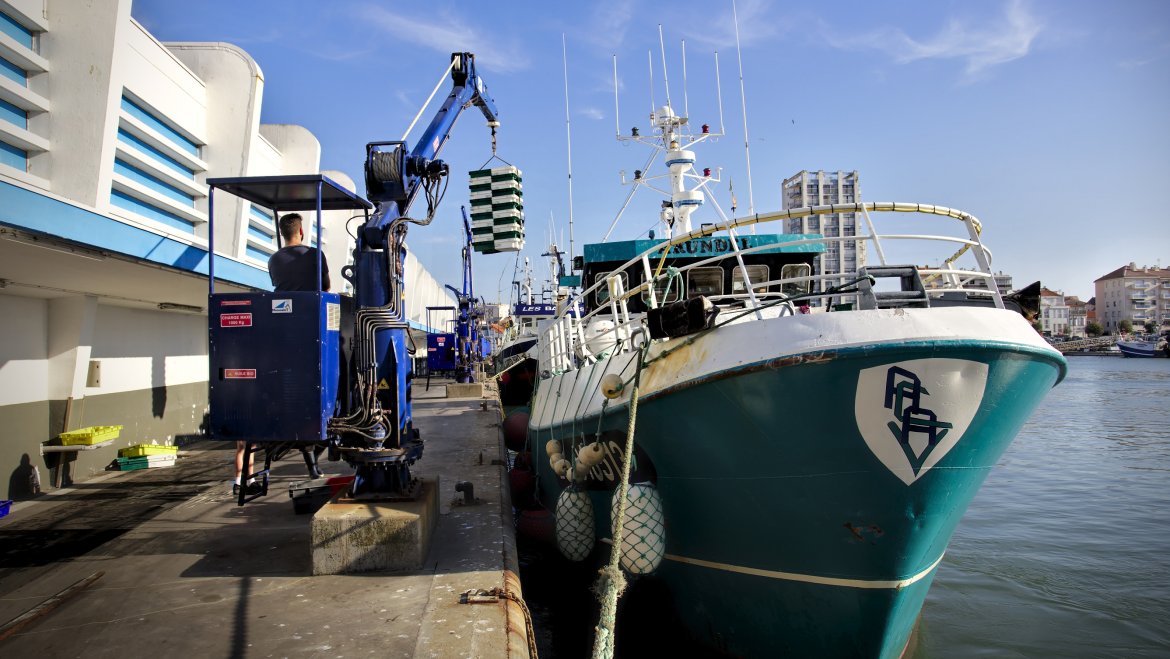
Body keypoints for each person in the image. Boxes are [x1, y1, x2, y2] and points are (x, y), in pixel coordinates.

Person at [268, 213, 330, 292]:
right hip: (310, 303)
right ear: (300, 230)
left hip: (282, 303)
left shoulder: (273, 259)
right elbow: (326, 287)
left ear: (281, 233)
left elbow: (278, 284)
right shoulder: (315, 254)